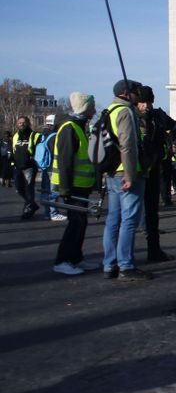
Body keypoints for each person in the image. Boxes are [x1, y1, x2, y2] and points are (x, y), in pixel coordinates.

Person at [103, 79, 152, 281]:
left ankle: (109, 264)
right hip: (126, 173)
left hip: (113, 171)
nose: (137, 95)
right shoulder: (125, 112)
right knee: (129, 221)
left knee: (113, 220)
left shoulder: (110, 110)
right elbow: (128, 145)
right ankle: (126, 265)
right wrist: (131, 176)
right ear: (125, 93)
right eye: (134, 92)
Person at [51, 93, 98, 276]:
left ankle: (75, 257)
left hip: (80, 185)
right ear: (85, 108)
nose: (94, 110)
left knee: (80, 222)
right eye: (92, 106)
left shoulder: (78, 127)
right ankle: (62, 260)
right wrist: (65, 188)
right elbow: (65, 160)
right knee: (75, 223)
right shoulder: (70, 128)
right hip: (73, 185)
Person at [137, 85, 176, 262]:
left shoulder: (158, 116)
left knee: (152, 211)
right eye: (142, 102)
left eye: (148, 101)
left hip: (154, 167)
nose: (146, 105)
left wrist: (171, 143)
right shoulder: (131, 116)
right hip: (137, 169)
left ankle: (154, 250)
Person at [12, 116, 42, 219]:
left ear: (29, 123)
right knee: (19, 189)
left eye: (24, 122)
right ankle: (32, 204)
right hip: (18, 166)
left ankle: (28, 210)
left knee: (29, 188)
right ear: (17, 124)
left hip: (30, 166)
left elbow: (40, 151)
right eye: (20, 122)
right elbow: (13, 150)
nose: (22, 124)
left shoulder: (35, 135)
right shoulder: (15, 136)